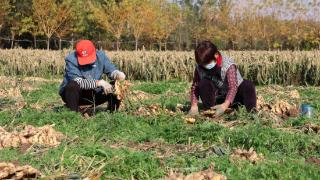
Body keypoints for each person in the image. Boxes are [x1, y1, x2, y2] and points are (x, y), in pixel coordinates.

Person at [188, 41, 256, 116]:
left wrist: (224, 105)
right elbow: (195, 86)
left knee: (248, 85)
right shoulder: (200, 66)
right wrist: (194, 105)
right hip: (217, 98)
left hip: (234, 98)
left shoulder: (228, 64)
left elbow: (233, 87)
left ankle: (251, 113)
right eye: (203, 65)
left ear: (216, 55)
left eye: (207, 64)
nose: (205, 67)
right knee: (204, 83)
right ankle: (210, 111)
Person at [59, 40, 126, 113]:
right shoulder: (71, 60)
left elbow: (111, 70)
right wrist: (100, 83)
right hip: (76, 95)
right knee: (72, 85)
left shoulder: (101, 56)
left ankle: (112, 111)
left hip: (94, 93)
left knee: (115, 86)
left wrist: (117, 74)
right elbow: (78, 82)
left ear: (95, 51)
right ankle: (73, 113)